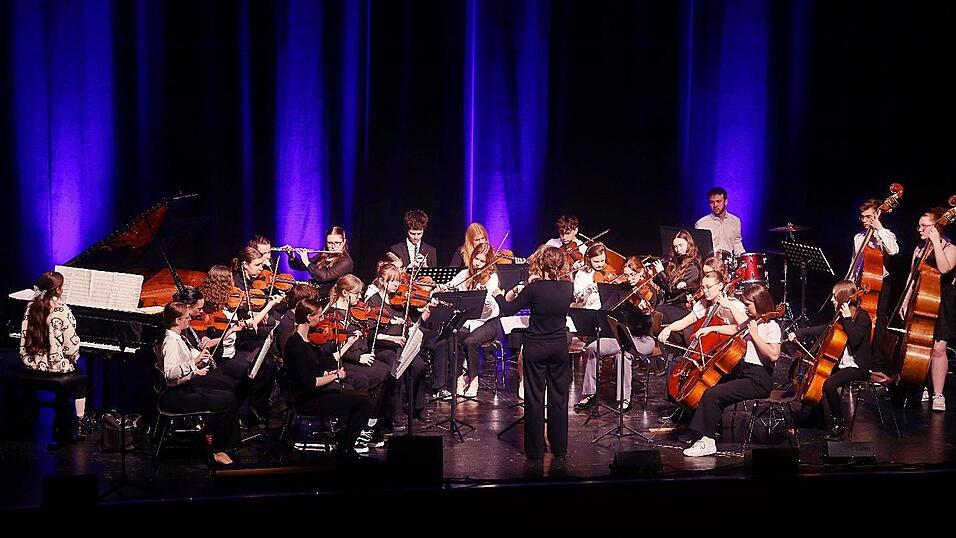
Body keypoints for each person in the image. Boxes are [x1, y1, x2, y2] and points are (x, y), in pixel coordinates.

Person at [666, 285, 781, 457]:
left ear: (759, 303)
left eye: (749, 304)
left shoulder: (772, 326)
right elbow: (735, 329)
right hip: (744, 372)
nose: (746, 309)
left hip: (759, 379)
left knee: (713, 395)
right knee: (707, 387)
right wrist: (711, 329)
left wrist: (755, 335)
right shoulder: (753, 322)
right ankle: (700, 433)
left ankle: (708, 442)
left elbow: (773, 355)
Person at [498, 247, 574, 459]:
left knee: (535, 398)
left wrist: (498, 295)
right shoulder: (568, 288)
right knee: (559, 399)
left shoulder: (534, 288)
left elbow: (509, 309)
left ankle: (535, 450)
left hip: (535, 347)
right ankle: (560, 448)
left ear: (541, 264)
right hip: (559, 347)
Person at [283, 298, 373, 459]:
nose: (322, 319)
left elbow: (323, 362)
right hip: (307, 401)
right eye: (319, 316)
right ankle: (346, 448)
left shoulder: (307, 341)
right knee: (363, 402)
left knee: (361, 395)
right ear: (310, 317)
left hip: (315, 394)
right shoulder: (296, 344)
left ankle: (345, 443)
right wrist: (335, 376)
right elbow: (310, 382)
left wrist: (347, 344)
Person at [159, 302, 239, 465]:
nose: (190, 320)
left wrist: (198, 365)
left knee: (228, 393)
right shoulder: (171, 342)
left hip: (183, 387)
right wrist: (194, 364)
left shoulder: (179, 337)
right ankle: (218, 450)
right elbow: (170, 374)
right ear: (176, 320)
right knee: (227, 400)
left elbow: (185, 368)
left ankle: (227, 445)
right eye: (186, 318)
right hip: (176, 396)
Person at [789, 281, 872, 439]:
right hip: (843, 364)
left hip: (858, 367)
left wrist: (847, 318)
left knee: (829, 384)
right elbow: (825, 328)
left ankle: (839, 422)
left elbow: (854, 341)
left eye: (835, 297)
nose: (832, 300)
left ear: (844, 299)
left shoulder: (863, 317)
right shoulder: (840, 317)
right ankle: (816, 417)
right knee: (817, 378)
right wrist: (800, 332)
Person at [575, 256, 658, 413]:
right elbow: (606, 309)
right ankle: (590, 394)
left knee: (623, 354)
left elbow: (649, 325)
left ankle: (624, 398)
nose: (631, 279)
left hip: (643, 339)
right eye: (627, 275)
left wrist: (646, 314)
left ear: (642, 272)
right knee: (593, 348)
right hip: (621, 337)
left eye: (634, 274)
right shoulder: (622, 289)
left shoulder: (650, 293)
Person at [19, 271, 89, 447]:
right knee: (80, 377)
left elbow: (24, 337)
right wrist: (73, 358)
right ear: (58, 290)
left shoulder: (30, 306)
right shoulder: (62, 310)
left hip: (30, 363)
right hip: (54, 365)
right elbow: (71, 346)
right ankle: (79, 422)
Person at [901, 207, 956, 411]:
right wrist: (905, 301)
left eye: (924, 226)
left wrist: (935, 243)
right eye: (919, 225)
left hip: (942, 301)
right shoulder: (918, 249)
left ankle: (939, 394)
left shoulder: (950, 247)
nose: (919, 229)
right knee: (919, 345)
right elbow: (912, 277)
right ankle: (919, 385)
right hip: (921, 299)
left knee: (938, 349)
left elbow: (944, 268)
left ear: (937, 227)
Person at [445, 242, 503, 397]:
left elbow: (493, 307)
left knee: (471, 342)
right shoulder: (464, 275)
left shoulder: (492, 279)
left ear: (488, 263)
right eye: (476, 259)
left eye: (482, 261)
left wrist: (484, 295)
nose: (478, 264)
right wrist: (443, 289)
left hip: (488, 322)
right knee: (453, 337)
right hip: (468, 320)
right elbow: (450, 287)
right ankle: (458, 379)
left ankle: (474, 379)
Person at [849, 199, 899, 375]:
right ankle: (857, 359)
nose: (864, 220)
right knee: (857, 321)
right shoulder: (858, 237)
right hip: (862, 283)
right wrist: (848, 281)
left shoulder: (886, 234)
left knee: (877, 324)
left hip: (880, 283)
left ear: (877, 215)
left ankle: (877, 364)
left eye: (869, 217)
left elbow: (893, 250)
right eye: (862, 217)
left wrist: (879, 228)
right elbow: (855, 263)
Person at [289, 226, 354, 298]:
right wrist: (292, 256)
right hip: (315, 294)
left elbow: (325, 276)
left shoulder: (346, 261)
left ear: (343, 242)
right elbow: (300, 266)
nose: (333, 246)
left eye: (337, 243)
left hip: (330, 299)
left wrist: (307, 262)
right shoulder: (323, 256)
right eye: (329, 243)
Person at [695, 186, 745, 257]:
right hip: (709, 264)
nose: (715, 205)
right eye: (712, 202)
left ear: (726, 202)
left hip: (728, 264)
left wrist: (743, 257)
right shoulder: (701, 224)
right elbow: (699, 249)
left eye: (718, 201)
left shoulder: (735, 221)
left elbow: (737, 244)